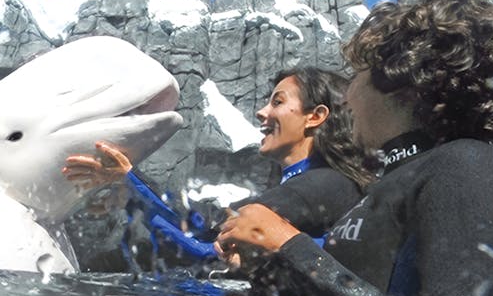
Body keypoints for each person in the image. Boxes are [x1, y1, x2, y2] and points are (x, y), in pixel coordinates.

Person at [216, 0, 493, 296]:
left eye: (357, 75)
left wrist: (288, 245)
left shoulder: (467, 166)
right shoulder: (395, 181)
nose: (346, 98)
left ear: (399, 82)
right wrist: (272, 266)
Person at [64, 67, 372, 260]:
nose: (262, 112)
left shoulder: (316, 187)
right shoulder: (322, 184)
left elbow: (202, 247)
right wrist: (129, 183)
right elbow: (203, 231)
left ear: (315, 116)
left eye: (277, 102)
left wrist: (131, 184)